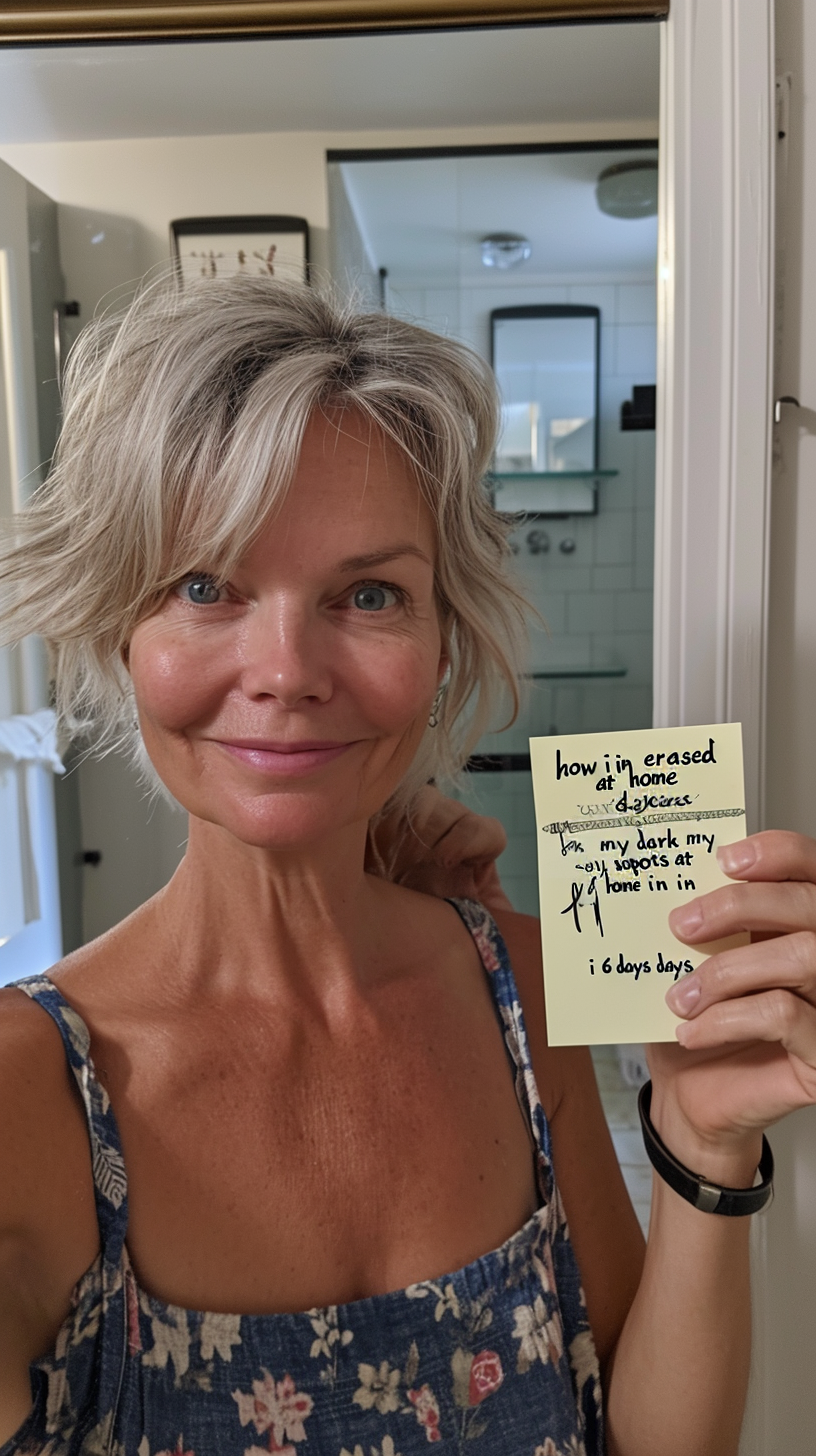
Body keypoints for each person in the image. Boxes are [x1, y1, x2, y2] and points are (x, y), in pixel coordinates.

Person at [0, 277, 814, 1456]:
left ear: (442, 645)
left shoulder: (523, 987)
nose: (286, 670)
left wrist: (704, 1152)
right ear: (120, 633)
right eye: (202, 585)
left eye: (368, 593)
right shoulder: (29, 1091)